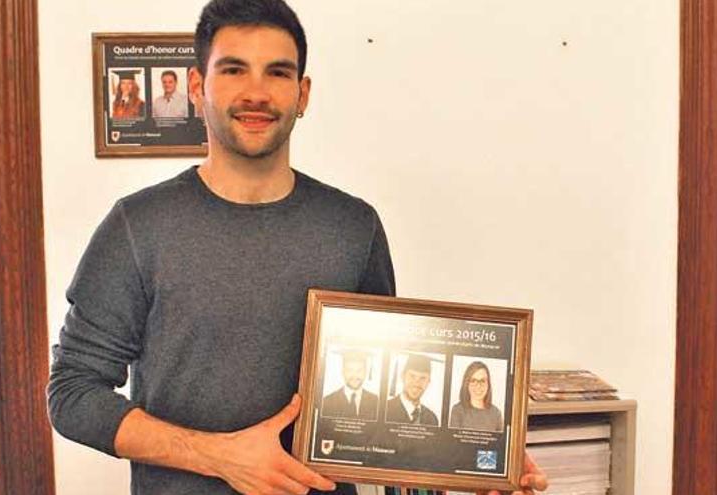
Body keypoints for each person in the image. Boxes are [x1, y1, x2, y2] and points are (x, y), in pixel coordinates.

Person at [48, 1, 547, 494]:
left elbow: (388, 400)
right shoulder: (137, 226)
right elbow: (72, 394)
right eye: (234, 69)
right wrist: (218, 457)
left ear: (303, 94)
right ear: (198, 87)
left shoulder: (354, 226)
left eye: (278, 73)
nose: (257, 92)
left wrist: (476, 459)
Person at [321, 349, 379, 420]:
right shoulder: (327, 402)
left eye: (359, 370)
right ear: (343, 372)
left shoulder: (376, 402)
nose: (354, 376)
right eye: (350, 370)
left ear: (365, 372)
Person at [385, 354, 439, 426]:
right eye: (412, 376)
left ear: (428, 381)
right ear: (402, 376)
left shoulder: (432, 419)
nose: (416, 383)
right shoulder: (385, 411)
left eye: (423, 378)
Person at [449, 361, 503, 432]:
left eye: (482, 381)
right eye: (473, 380)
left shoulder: (496, 414)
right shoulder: (457, 411)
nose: (478, 385)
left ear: (488, 384)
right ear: (466, 384)